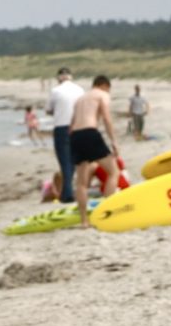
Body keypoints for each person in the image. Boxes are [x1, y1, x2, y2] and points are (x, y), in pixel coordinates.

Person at [68, 75, 121, 229]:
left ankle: (84, 221)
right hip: (90, 133)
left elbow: (71, 126)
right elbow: (106, 118)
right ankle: (106, 213)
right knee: (114, 172)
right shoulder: (101, 94)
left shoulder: (80, 99)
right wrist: (114, 141)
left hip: (75, 136)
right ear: (105, 85)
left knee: (81, 182)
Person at [47, 69, 85, 202]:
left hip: (61, 126)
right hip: (78, 126)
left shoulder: (56, 91)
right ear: (71, 77)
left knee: (64, 160)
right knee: (73, 160)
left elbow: (49, 110)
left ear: (59, 78)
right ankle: (67, 190)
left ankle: (67, 193)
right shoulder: (80, 90)